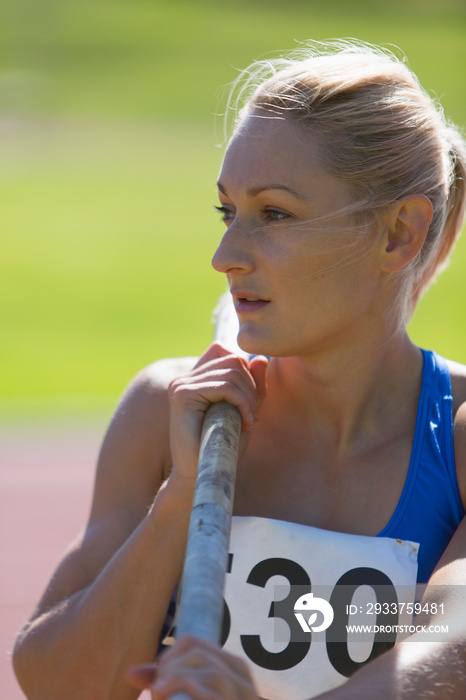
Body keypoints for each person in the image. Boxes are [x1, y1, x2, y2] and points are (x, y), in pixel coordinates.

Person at [13, 40, 466, 700]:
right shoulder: (165, 409)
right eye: (227, 211)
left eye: (274, 213)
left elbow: (448, 652)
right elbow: (58, 683)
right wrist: (181, 499)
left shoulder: (454, 437)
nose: (226, 255)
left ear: (398, 233)